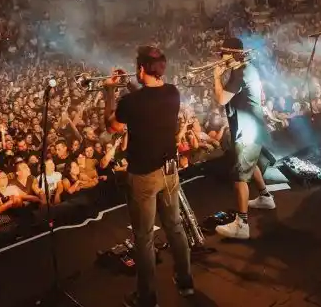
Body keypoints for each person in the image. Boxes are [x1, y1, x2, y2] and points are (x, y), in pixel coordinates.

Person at [103, 46, 193, 307]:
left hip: (143, 177)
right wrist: (130, 85)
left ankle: (147, 297)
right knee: (175, 227)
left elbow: (112, 126)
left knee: (143, 238)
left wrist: (109, 90)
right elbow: (148, 100)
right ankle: (186, 282)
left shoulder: (132, 103)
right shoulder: (173, 93)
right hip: (170, 172)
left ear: (141, 68)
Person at [212, 37, 276, 241]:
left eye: (224, 53)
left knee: (239, 176)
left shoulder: (240, 72)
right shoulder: (246, 69)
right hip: (249, 128)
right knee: (252, 162)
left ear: (235, 54)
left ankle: (242, 224)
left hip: (248, 131)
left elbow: (221, 99)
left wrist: (216, 78)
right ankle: (265, 197)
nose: (221, 57)